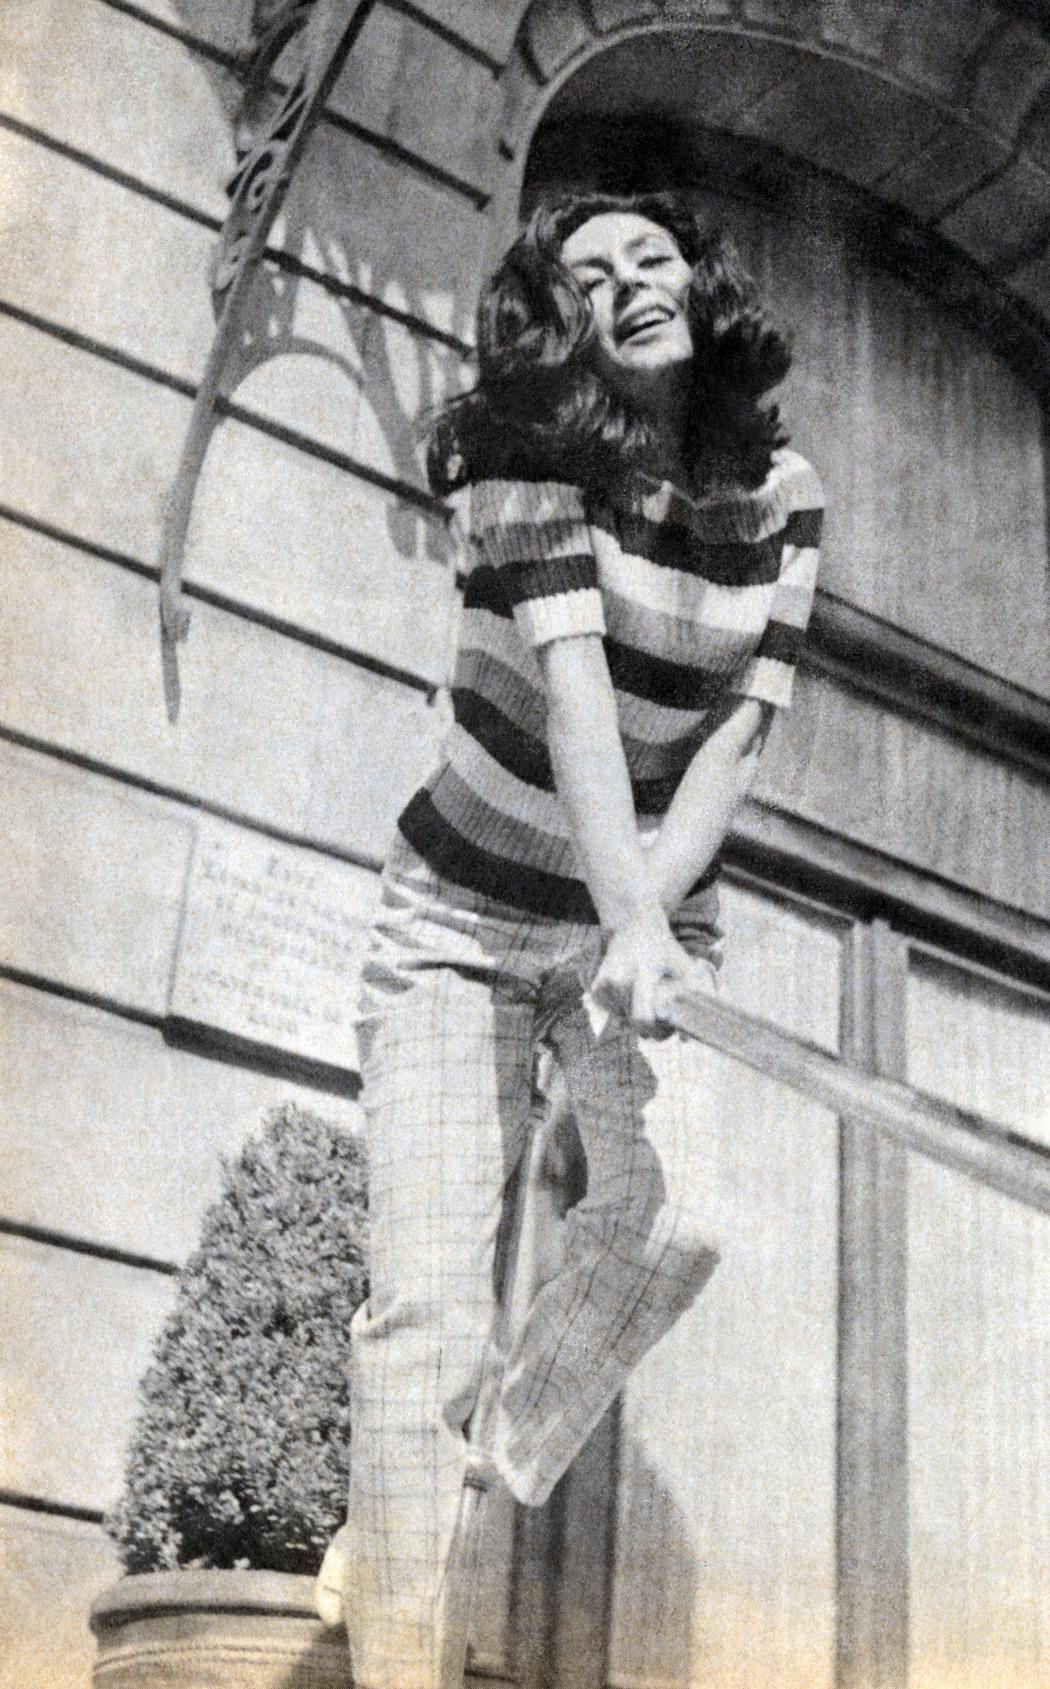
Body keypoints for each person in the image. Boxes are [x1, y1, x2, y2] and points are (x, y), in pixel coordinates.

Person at [319, 190, 823, 1689]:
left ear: (699, 285)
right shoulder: (514, 442)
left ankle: (478, 1464)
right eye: (587, 277)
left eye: (651, 259)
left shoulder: (781, 490)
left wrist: (643, 925)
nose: (627, 287)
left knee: (680, 1219)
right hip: (461, 917)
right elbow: (578, 696)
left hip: (651, 907)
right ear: (562, 323)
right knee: (424, 1305)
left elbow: (737, 732)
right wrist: (622, 917)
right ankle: (398, 1655)